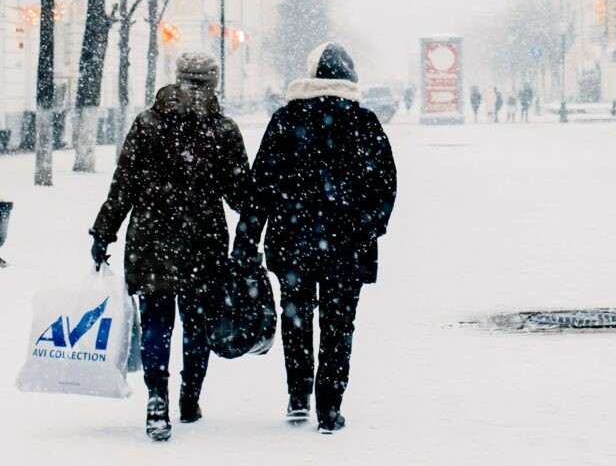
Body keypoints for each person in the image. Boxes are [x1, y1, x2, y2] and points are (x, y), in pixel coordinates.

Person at [233, 42, 397, 434]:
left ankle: (298, 395)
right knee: (339, 325)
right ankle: (330, 407)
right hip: (346, 246)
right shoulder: (364, 122)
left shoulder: (286, 119)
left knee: (296, 318)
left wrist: (247, 239)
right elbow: (385, 185)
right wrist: (367, 226)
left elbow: (261, 185)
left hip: (293, 242)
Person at [90, 53, 250, 442]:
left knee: (157, 324)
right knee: (198, 324)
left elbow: (123, 184)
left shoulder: (148, 123)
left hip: (150, 240)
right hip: (203, 242)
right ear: (214, 83)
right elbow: (239, 195)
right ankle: (190, 397)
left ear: (177, 78)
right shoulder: (223, 130)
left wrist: (103, 232)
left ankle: (156, 400)